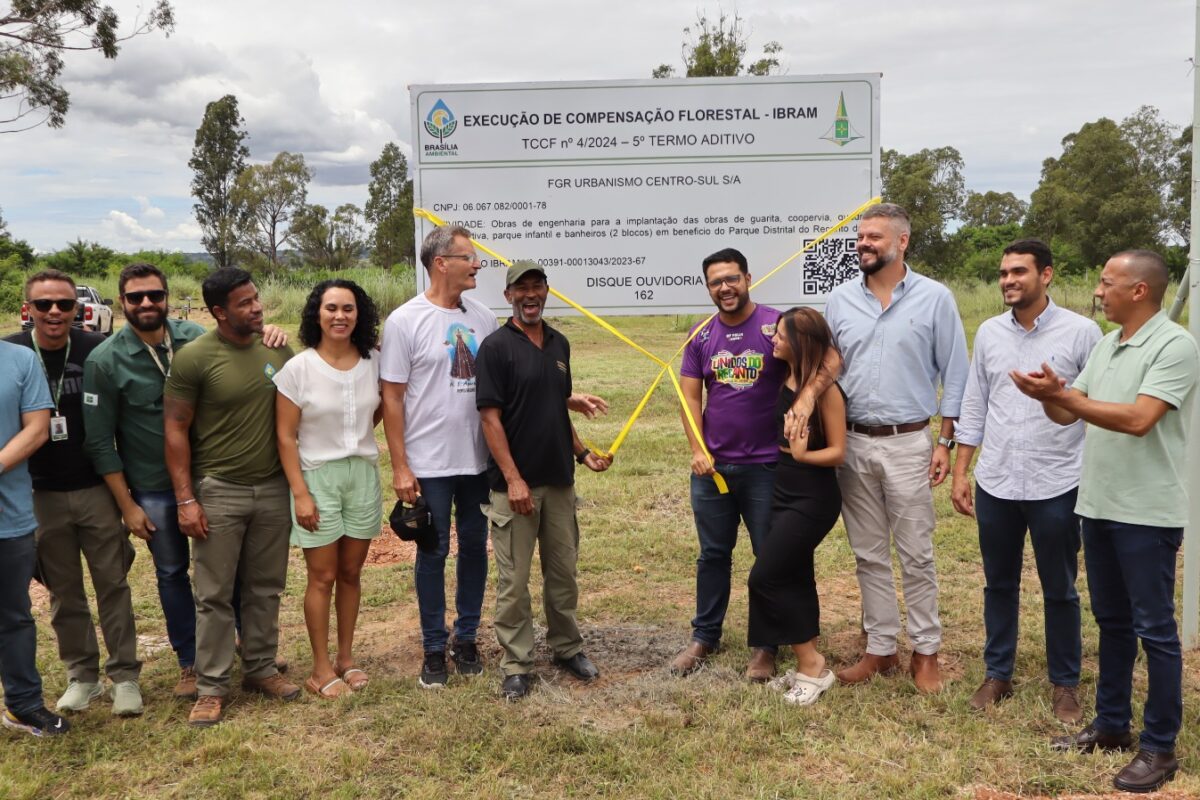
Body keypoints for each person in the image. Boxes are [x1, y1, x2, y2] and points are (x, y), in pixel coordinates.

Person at [1012, 249, 1199, 793]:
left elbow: (1140, 419)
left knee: (1156, 630)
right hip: (1097, 504)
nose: (1098, 291)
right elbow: (1071, 412)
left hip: (1146, 511)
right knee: (1112, 623)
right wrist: (1050, 396)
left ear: (1139, 290)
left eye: (1106, 282)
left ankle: (1160, 746)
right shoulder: (1109, 344)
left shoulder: (1174, 345)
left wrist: (1065, 395)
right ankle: (1113, 725)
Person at [950, 240, 1100, 722]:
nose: (1008, 280)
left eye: (1018, 271)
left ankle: (1065, 685)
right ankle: (998, 675)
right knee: (998, 584)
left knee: (1060, 587)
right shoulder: (991, 333)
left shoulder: (1082, 332)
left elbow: (1096, 406)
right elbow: (975, 402)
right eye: (1003, 273)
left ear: (1047, 275)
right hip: (997, 481)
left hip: (1057, 481)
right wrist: (961, 470)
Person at [823, 202, 968, 693]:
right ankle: (881, 649)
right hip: (854, 443)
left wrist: (945, 441)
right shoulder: (840, 301)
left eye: (874, 238)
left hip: (909, 442)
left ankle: (926, 652)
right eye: (860, 238)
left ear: (902, 242)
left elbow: (956, 375)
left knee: (916, 554)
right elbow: (829, 370)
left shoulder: (935, 298)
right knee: (867, 553)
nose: (864, 244)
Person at [164, 267, 298, 727]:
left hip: (273, 488)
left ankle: (260, 669)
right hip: (218, 489)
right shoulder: (194, 358)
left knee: (265, 587)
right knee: (215, 595)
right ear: (219, 312)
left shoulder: (278, 349)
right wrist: (186, 499)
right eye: (244, 303)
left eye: (256, 298)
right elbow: (176, 429)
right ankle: (212, 686)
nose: (257, 307)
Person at [5, 270, 142, 716]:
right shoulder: (13, 353)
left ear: (78, 309)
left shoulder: (96, 351)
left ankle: (124, 676)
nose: (54, 313)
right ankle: (82, 676)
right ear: (28, 310)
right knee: (64, 591)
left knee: (112, 584)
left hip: (95, 487)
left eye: (65, 304)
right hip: (39, 492)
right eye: (43, 305)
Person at [475, 260, 612, 700]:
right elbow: (490, 420)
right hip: (514, 488)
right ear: (508, 296)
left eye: (537, 287)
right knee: (514, 584)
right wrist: (513, 479)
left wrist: (583, 452)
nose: (530, 295)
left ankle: (567, 648)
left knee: (563, 574)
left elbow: (555, 407)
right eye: (521, 289)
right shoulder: (495, 347)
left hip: (559, 482)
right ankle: (516, 663)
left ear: (547, 291)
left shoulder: (559, 344)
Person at [380, 225, 498, 689]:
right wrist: (400, 466)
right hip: (428, 463)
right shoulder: (404, 320)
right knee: (433, 551)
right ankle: (433, 647)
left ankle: (466, 637)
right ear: (440, 263)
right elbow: (392, 398)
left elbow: (501, 385)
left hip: (477, 461)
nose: (477, 265)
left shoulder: (484, 318)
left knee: (474, 547)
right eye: (469, 257)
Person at [83, 263, 207, 701]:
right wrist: (126, 505)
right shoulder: (105, 360)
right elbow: (101, 443)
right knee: (172, 572)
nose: (146, 304)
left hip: (210, 477)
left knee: (225, 569)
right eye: (136, 297)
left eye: (154, 295)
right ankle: (190, 662)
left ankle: (244, 646)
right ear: (122, 302)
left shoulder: (196, 338)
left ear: (167, 296)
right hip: (153, 488)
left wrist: (269, 334)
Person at [672, 248, 788, 681]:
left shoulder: (775, 326)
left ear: (748, 278)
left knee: (767, 558)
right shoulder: (701, 334)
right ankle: (705, 636)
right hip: (713, 470)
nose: (725, 287)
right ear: (708, 287)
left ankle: (765, 645)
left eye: (732, 279)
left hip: (766, 466)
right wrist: (699, 449)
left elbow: (812, 369)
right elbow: (689, 396)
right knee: (713, 555)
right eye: (716, 281)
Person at [275, 280, 382, 698]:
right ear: (316, 314)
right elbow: (285, 437)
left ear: (360, 314)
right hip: (317, 478)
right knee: (322, 575)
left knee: (351, 573)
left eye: (349, 308)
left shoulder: (373, 361)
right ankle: (320, 668)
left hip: (362, 476)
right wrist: (300, 493)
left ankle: (346, 657)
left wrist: (353, 443)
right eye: (331, 308)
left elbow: (373, 415)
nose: (340, 316)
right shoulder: (298, 369)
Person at [747, 307, 845, 706]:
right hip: (783, 492)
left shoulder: (828, 394)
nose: (773, 341)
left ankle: (814, 665)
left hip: (814, 498)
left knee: (765, 577)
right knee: (795, 577)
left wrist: (804, 456)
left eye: (781, 337)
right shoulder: (789, 379)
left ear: (799, 343)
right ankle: (808, 667)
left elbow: (839, 452)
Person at [0, 337, 71, 737]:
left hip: (10, 517)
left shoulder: (19, 361)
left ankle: (23, 705)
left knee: (13, 616)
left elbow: (38, 429)